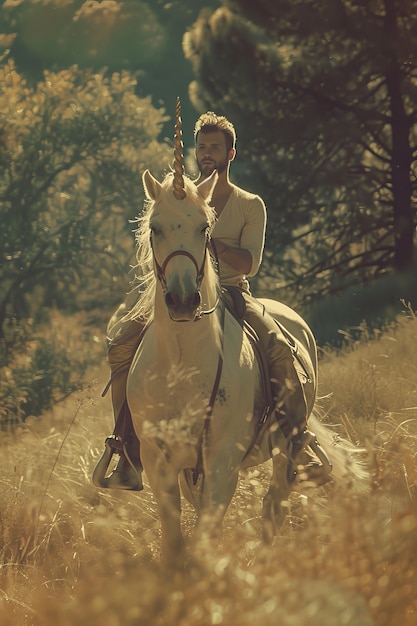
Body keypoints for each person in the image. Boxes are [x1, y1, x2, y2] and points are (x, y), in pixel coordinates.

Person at [93, 111, 328, 491]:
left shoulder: (250, 204)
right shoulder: (180, 201)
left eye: (215, 148)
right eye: (202, 147)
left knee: (280, 348)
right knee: (121, 344)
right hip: (176, 291)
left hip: (233, 293)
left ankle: (298, 442)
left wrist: (207, 243)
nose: (206, 154)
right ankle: (125, 444)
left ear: (230, 154)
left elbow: (249, 264)